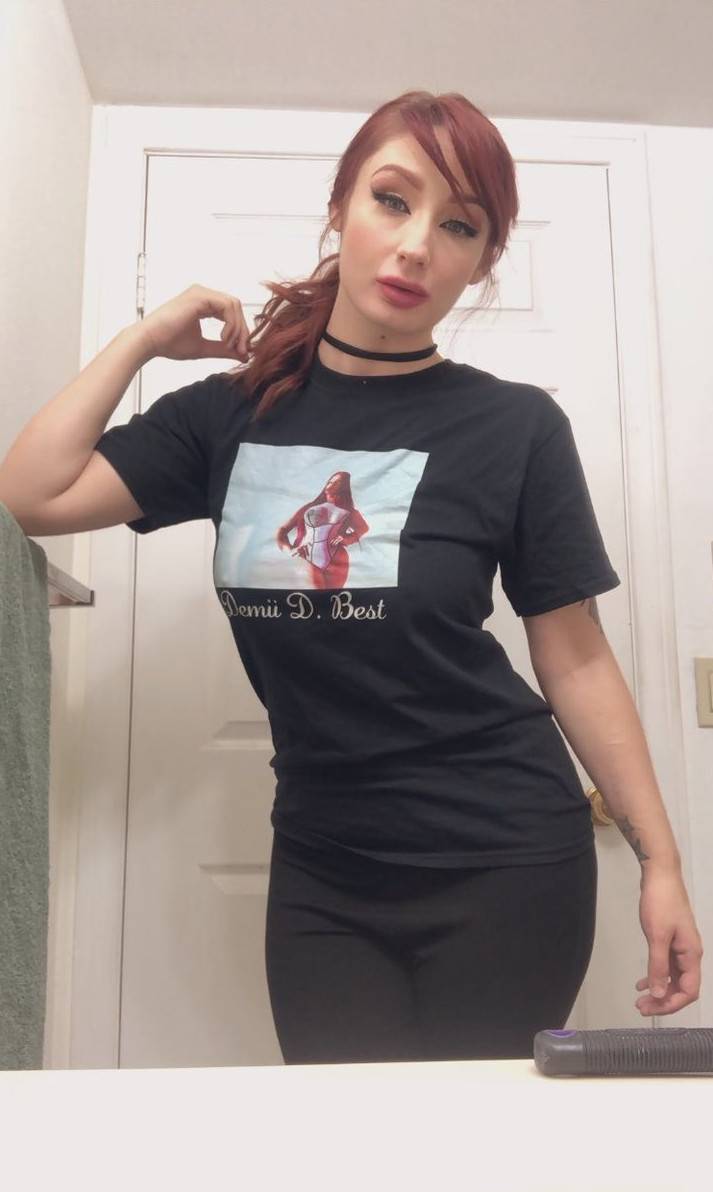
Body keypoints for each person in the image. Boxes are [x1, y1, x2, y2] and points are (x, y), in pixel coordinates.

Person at [0, 91, 665, 1064]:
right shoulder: (228, 416)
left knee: (480, 1137)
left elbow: (574, 658)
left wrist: (661, 862)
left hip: (507, 856)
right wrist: (142, 338)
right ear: (340, 207)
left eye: (458, 226)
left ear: (481, 262)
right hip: (323, 862)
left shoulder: (515, 427)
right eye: (391, 200)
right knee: (341, 1133)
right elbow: (28, 494)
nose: (415, 247)